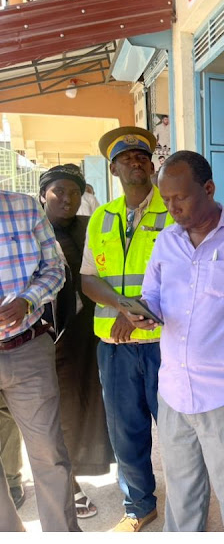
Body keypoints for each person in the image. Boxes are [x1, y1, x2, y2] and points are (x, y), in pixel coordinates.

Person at [129, 151, 224, 531]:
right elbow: (153, 296)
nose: (172, 207)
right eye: (165, 200)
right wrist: (139, 311)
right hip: (174, 394)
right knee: (181, 499)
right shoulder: (166, 242)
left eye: (180, 197)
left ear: (209, 188)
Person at [80, 126, 173, 532]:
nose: (136, 163)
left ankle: (189, 505)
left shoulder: (173, 210)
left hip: (164, 344)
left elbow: (184, 276)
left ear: (152, 166)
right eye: (126, 159)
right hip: (115, 349)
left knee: (177, 432)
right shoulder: (102, 217)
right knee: (126, 432)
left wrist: (132, 312)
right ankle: (139, 507)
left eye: (142, 157)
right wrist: (120, 305)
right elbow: (87, 278)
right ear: (114, 168)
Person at [0, 189, 79, 532]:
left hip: (27, 349)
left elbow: (54, 269)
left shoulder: (24, 207)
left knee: (49, 454)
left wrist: (28, 301)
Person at [39, 165, 115, 518]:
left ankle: (77, 476)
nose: (67, 199)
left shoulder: (91, 227)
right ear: (43, 195)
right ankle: (64, 485)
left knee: (85, 407)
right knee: (54, 413)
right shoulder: (33, 232)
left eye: (74, 192)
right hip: (44, 336)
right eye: (58, 192)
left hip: (89, 333)